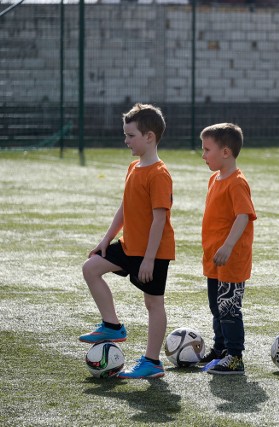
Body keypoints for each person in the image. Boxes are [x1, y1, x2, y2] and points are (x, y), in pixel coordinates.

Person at [79, 103, 175, 379]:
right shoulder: (134, 166)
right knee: (91, 267)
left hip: (153, 253)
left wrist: (148, 258)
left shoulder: (159, 174)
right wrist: (106, 240)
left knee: (153, 304)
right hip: (129, 244)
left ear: (149, 137)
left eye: (130, 135)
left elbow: (159, 220)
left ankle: (152, 362)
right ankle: (112, 325)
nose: (125, 141)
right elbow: (125, 207)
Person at [199, 123, 257, 375]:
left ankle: (235, 357)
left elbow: (243, 216)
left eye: (207, 149)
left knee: (229, 308)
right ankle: (221, 349)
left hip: (230, 259)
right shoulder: (215, 178)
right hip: (214, 259)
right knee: (216, 306)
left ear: (225, 152)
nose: (203, 155)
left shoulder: (236, 182)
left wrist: (228, 246)